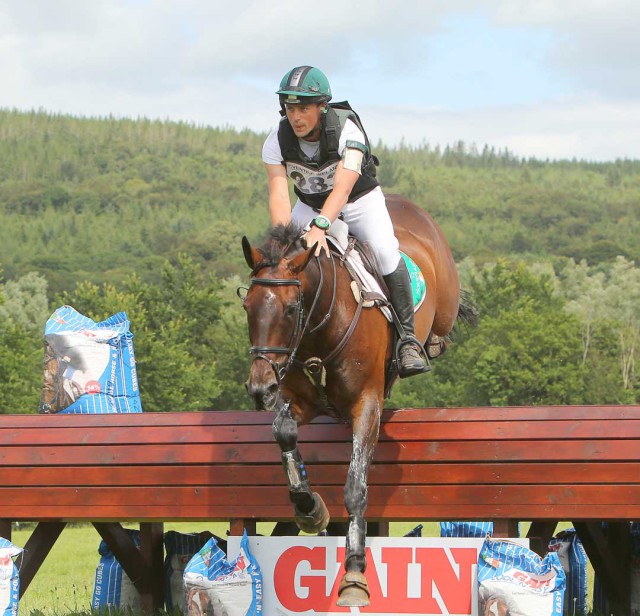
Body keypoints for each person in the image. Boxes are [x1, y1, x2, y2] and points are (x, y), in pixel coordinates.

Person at [261, 65, 428, 377]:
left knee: (383, 252)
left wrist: (323, 226)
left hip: (358, 202)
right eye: (290, 108)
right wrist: (283, 240)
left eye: (304, 108)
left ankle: (408, 340)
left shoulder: (347, 130)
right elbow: (279, 194)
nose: (296, 117)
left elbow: (343, 186)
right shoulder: (276, 140)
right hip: (310, 205)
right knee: (285, 264)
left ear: (323, 107)